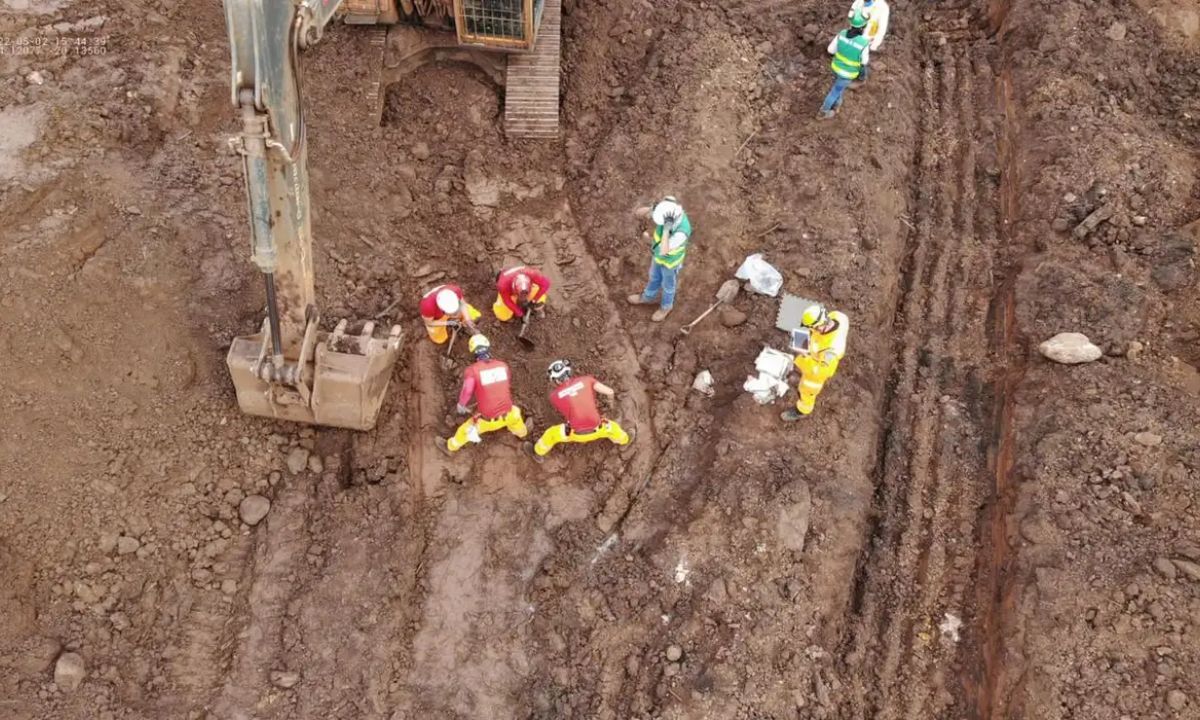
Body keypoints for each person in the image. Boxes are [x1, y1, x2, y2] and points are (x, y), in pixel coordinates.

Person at [440, 334, 529, 453]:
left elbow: (467, 391)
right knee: (517, 415)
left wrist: (461, 405)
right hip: (509, 414)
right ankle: (522, 433)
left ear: (473, 352)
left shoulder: (472, 371)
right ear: (488, 347)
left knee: (464, 431)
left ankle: (450, 446)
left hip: (487, 421)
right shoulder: (503, 365)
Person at [529, 360, 631, 460]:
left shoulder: (554, 396)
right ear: (569, 372)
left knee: (550, 434)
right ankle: (625, 440)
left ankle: (537, 452)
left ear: (556, 380)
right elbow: (610, 392)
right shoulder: (587, 380)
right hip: (599, 429)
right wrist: (610, 405)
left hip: (574, 434)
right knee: (614, 428)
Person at [626, 196, 692, 322]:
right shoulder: (668, 207)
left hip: (670, 262)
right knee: (654, 277)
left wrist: (648, 239)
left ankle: (666, 307)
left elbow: (664, 249)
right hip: (658, 257)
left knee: (668, 286)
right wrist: (651, 209)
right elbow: (639, 213)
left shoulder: (681, 232)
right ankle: (647, 297)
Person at [781, 303, 849, 421]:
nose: (811, 330)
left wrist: (802, 356)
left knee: (806, 391)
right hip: (816, 349)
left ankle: (802, 411)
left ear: (821, 326)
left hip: (817, 371)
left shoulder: (831, 351)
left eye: (813, 328)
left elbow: (820, 372)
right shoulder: (837, 316)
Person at [820, 12, 870, 119]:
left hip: (836, 68)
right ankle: (823, 112)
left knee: (838, 87)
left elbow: (830, 50)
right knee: (835, 91)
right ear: (862, 27)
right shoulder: (864, 43)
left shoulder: (841, 34)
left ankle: (837, 104)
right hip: (848, 73)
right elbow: (864, 62)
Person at [848, 0, 890, 83]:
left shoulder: (882, 7)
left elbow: (882, 29)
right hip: (856, 33)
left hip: (868, 38)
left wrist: (875, 44)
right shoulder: (858, 2)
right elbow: (851, 16)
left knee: (861, 59)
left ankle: (860, 78)